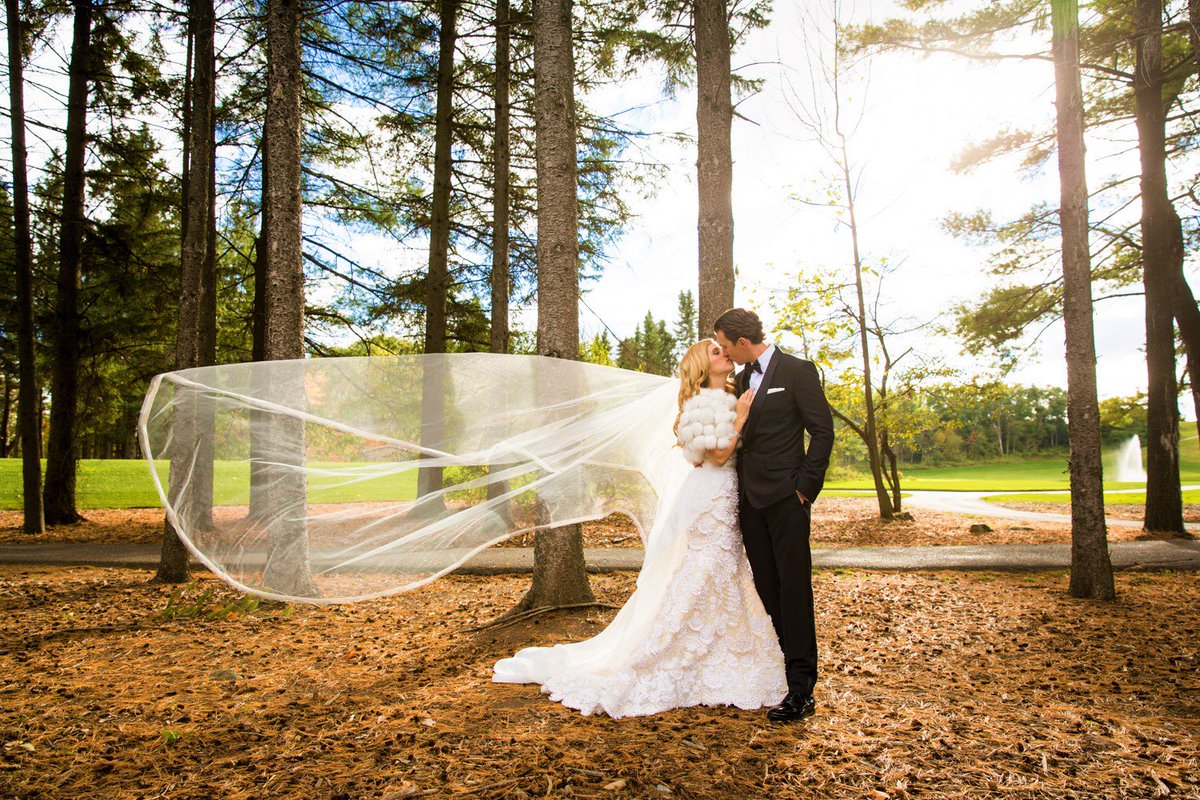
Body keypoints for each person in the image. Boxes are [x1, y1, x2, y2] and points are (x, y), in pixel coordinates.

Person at [490, 339, 789, 718]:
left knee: (728, 571)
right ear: (702, 365)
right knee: (705, 569)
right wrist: (741, 418)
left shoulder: (735, 393)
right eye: (716, 352)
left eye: (724, 349)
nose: (724, 354)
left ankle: (722, 651)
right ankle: (674, 651)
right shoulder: (699, 404)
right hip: (710, 498)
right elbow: (716, 454)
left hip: (731, 494)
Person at [712, 307, 835, 723]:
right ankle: (779, 673)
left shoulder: (799, 371)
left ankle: (802, 690)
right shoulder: (742, 379)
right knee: (767, 590)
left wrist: (804, 489)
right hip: (750, 504)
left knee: (794, 591)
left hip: (787, 501)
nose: (726, 354)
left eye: (727, 346)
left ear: (743, 343)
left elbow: (823, 431)